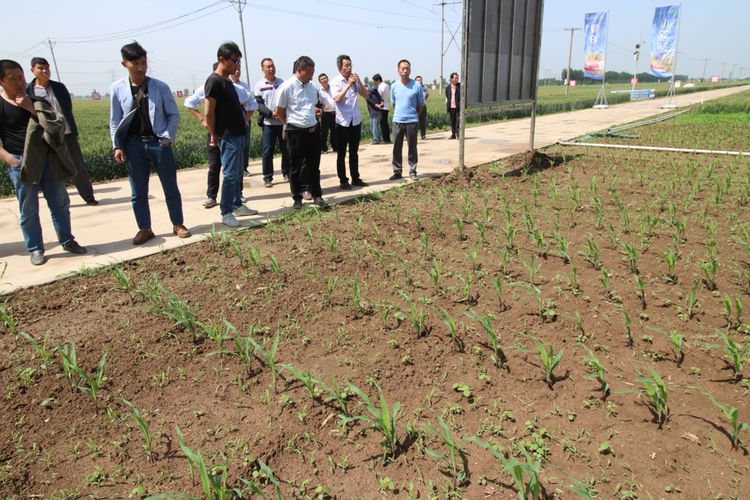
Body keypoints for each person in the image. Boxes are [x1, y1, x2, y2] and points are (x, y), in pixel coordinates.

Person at [0, 59, 87, 265]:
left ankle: (67, 240)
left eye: (21, 77)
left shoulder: (37, 101)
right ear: (2, 81)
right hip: (22, 161)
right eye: (14, 79)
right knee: (28, 208)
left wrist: (31, 108)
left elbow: (56, 126)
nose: (20, 82)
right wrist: (10, 159)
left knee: (60, 203)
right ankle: (36, 248)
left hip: (49, 158)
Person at [109, 42, 190, 245]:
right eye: (135, 63)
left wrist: (167, 136)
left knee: (170, 187)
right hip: (133, 145)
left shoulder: (160, 87)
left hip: (158, 144)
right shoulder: (117, 89)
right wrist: (117, 145)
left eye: (144, 62)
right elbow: (114, 120)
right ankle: (144, 228)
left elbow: (173, 115)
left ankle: (178, 224)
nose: (141, 67)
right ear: (124, 64)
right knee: (138, 191)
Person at [27, 57, 98, 206]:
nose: (45, 71)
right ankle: (56, 200)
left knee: (77, 166)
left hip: (66, 133)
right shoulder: (29, 91)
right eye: (41, 68)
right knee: (46, 168)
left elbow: (67, 106)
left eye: (47, 67)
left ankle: (88, 196)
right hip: (44, 137)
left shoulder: (59, 87)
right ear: (32, 70)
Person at [185, 63, 255, 208]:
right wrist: (203, 120)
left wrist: (243, 122)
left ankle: (237, 198)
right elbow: (189, 102)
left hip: (231, 135)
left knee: (235, 170)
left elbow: (252, 104)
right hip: (214, 134)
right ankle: (212, 196)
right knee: (215, 166)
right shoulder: (209, 85)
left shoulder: (235, 88)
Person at [204, 42, 259, 228]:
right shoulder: (214, 81)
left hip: (237, 134)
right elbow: (208, 112)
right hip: (227, 135)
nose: (237, 65)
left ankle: (236, 204)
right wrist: (213, 133)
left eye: (238, 61)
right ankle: (226, 212)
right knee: (229, 174)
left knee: (236, 174)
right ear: (222, 60)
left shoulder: (227, 81)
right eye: (234, 61)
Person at [275, 56, 329, 210]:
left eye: (313, 72)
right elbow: (279, 111)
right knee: (295, 167)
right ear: (299, 70)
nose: (311, 75)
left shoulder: (312, 87)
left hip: (313, 130)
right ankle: (297, 198)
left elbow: (311, 106)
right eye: (309, 72)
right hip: (295, 132)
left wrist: (316, 113)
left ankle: (317, 195)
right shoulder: (287, 87)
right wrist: (288, 124)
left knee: (314, 165)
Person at [331, 54, 369, 190]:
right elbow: (337, 99)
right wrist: (348, 84)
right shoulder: (335, 81)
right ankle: (343, 180)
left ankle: (356, 178)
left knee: (354, 152)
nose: (349, 67)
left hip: (355, 120)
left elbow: (366, 95)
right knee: (341, 153)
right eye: (346, 65)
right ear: (339, 67)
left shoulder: (355, 81)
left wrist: (360, 83)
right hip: (343, 122)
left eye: (350, 64)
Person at [254, 58, 288, 188]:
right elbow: (259, 104)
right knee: (268, 150)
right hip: (268, 123)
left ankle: (287, 172)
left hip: (282, 122)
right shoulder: (259, 85)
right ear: (262, 69)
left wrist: (280, 114)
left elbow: (286, 100)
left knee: (286, 149)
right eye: (268, 67)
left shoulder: (282, 83)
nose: (271, 69)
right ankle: (267, 177)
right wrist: (270, 114)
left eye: (272, 66)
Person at [389, 59, 425, 182]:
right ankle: (397, 171)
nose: (405, 70)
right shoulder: (394, 86)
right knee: (396, 148)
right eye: (402, 68)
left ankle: (412, 170)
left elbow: (421, 104)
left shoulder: (417, 85)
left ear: (410, 70)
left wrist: (414, 115)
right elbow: (394, 104)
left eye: (407, 68)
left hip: (412, 121)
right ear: (398, 70)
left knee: (412, 147)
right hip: (397, 121)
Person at [229, 65, 257, 178]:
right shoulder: (227, 84)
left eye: (239, 70)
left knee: (245, 144)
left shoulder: (244, 85)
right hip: (231, 118)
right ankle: (234, 168)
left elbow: (250, 102)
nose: (237, 72)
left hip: (244, 116)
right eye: (235, 69)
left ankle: (244, 168)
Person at [317, 73, 336, 153]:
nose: (324, 80)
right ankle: (323, 148)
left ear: (328, 79)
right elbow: (317, 102)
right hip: (325, 114)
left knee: (335, 131)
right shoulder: (319, 91)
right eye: (322, 79)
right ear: (320, 82)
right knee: (324, 132)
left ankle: (336, 147)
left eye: (325, 78)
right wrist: (323, 105)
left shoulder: (334, 88)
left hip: (335, 113)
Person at [374, 73, 391, 143]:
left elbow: (379, 96)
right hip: (386, 105)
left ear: (377, 80)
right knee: (385, 123)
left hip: (382, 106)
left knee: (382, 124)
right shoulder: (386, 85)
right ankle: (387, 138)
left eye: (375, 81)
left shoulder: (380, 87)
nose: (375, 83)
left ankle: (385, 139)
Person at [445, 72, 460, 139]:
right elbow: (447, 97)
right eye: (455, 78)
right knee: (452, 121)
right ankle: (453, 134)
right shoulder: (447, 88)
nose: (457, 79)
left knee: (458, 121)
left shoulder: (460, 86)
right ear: (451, 79)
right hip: (451, 107)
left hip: (458, 107)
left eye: (457, 78)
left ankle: (458, 134)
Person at [415, 75, 429, 140]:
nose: (420, 81)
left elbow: (427, 95)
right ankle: (414, 135)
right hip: (415, 107)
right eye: (418, 80)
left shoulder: (424, 88)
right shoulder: (413, 88)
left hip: (423, 106)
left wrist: (423, 101)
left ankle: (423, 135)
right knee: (415, 121)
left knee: (423, 121)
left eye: (420, 80)